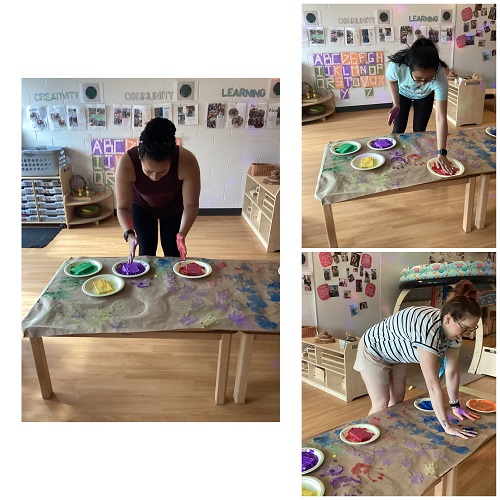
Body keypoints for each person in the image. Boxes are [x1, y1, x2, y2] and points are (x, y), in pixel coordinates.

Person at [353, 279, 481, 439]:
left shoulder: (455, 331)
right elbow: (433, 386)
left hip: (397, 355)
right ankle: (366, 438)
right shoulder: (428, 330)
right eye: (465, 328)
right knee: (381, 403)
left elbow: (452, 372)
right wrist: (447, 426)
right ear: (448, 319)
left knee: (398, 399)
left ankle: (388, 434)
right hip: (373, 350)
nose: (467, 334)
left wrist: (455, 405)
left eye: (471, 329)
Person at [115, 117, 201, 262]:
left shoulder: (187, 161)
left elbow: (191, 205)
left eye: (162, 172)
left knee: (172, 251)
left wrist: (182, 235)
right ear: (140, 156)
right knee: (146, 251)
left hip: (174, 207)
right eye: (148, 171)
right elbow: (123, 207)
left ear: (172, 159)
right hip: (142, 207)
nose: (154, 177)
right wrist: (129, 235)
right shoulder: (127, 163)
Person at [386, 37, 452, 173]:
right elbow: (392, 82)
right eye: (418, 78)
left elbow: (441, 117)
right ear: (408, 67)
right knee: (398, 127)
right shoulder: (397, 66)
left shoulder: (440, 76)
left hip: (425, 96)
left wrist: (442, 153)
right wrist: (396, 104)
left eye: (428, 79)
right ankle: (392, 159)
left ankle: (417, 160)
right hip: (403, 94)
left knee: (420, 130)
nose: (422, 83)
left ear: (435, 71)